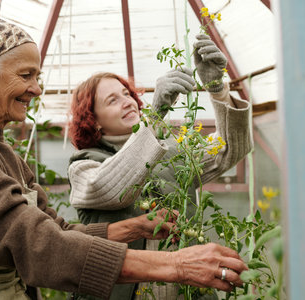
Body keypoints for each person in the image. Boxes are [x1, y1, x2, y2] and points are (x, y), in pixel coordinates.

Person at [0, 14, 247, 300]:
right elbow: (39, 243)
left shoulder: (2, 152)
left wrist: (217, 87)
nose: (36, 88)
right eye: (25, 75)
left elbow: (56, 229)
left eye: (38, 76)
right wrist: (176, 265)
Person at [67, 34, 253, 299]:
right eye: (113, 100)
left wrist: (216, 87)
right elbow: (111, 187)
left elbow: (229, 149)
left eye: (127, 94)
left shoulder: (172, 151)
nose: (128, 101)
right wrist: (154, 117)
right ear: (93, 121)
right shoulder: (84, 166)